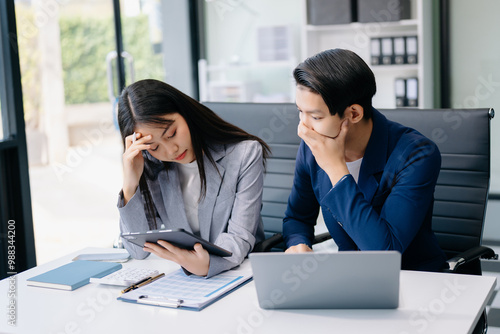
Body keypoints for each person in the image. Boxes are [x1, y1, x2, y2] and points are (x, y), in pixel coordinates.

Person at [283, 48, 446, 272]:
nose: (303, 128)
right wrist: (298, 244)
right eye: (300, 112)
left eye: (316, 117)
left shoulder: (417, 154)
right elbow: (297, 217)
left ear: (354, 114)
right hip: (350, 279)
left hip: (412, 279)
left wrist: (336, 169)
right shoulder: (312, 146)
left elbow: (384, 252)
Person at [117, 79, 269, 277]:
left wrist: (205, 264)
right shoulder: (150, 164)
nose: (171, 150)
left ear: (186, 113)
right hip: (183, 275)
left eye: (171, 133)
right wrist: (130, 185)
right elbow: (137, 251)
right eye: (154, 147)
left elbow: (239, 237)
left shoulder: (244, 154)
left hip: (239, 271)